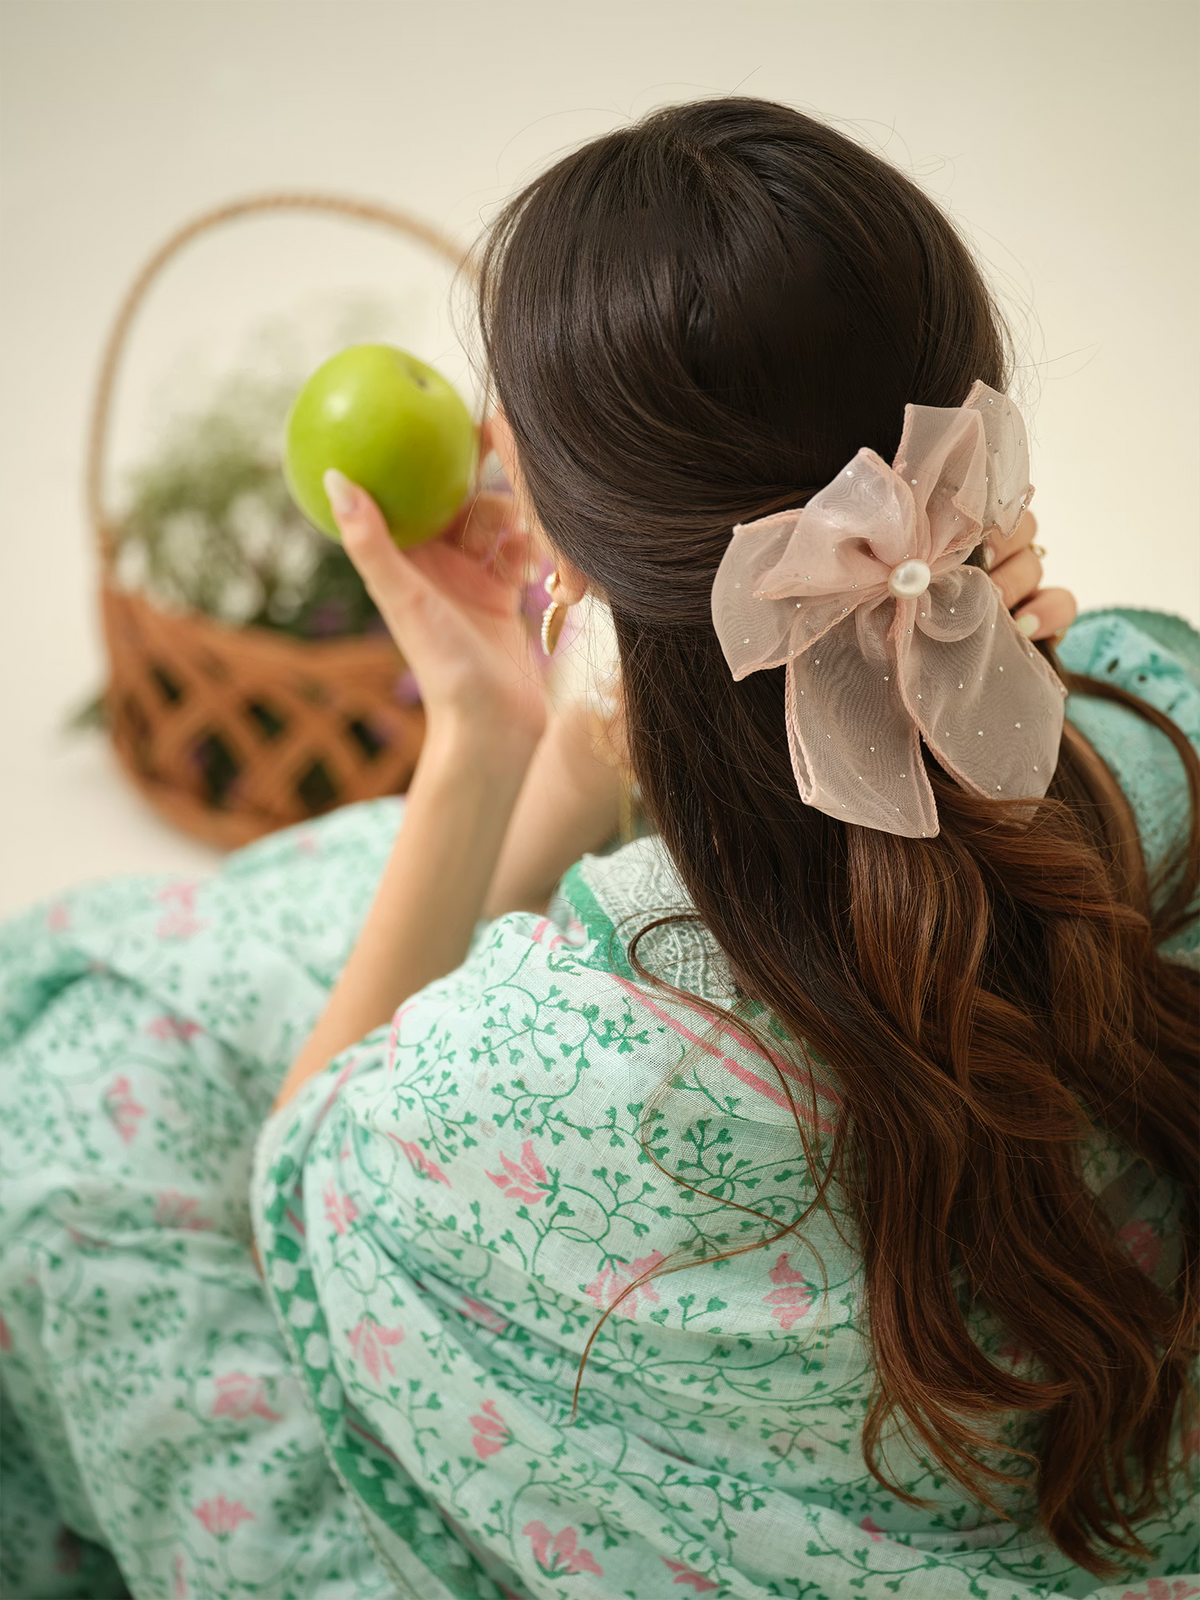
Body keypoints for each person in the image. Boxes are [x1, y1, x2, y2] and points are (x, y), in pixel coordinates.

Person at [0, 97, 1196, 1600]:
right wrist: (555, 747)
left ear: (580, 562)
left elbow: (308, 1183)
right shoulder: (1165, 717)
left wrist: (474, 749)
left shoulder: (534, 1074)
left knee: (66, 1111)